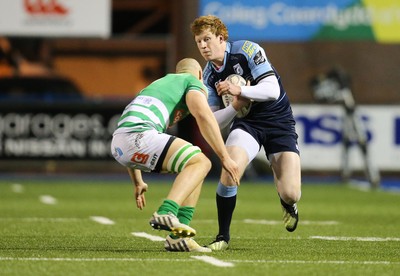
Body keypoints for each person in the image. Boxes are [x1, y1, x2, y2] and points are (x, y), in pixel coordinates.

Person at [190, 15, 302, 251]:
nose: (202, 46)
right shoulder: (208, 75)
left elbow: (272, 90)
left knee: (291, 192)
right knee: (230, 170)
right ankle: (222, 236)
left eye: (207, 39)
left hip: (278, 122)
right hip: (248, 123)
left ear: (221, 38)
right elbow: (213, 122)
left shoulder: (247, 50)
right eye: (199, 41)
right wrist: (234, 106)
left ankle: (287, 202)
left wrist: (238, 89)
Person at [111, 58, 240, 252]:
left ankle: (178, 239)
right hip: (140, 135)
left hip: (119, 145)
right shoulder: (192, 81)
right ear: (198, 74)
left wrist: (138, 182)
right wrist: (225, 157)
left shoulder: (156, 85)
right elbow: (203, 115)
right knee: (201, 162)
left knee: (194, 165)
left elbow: (129, 129)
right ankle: (167, 211)